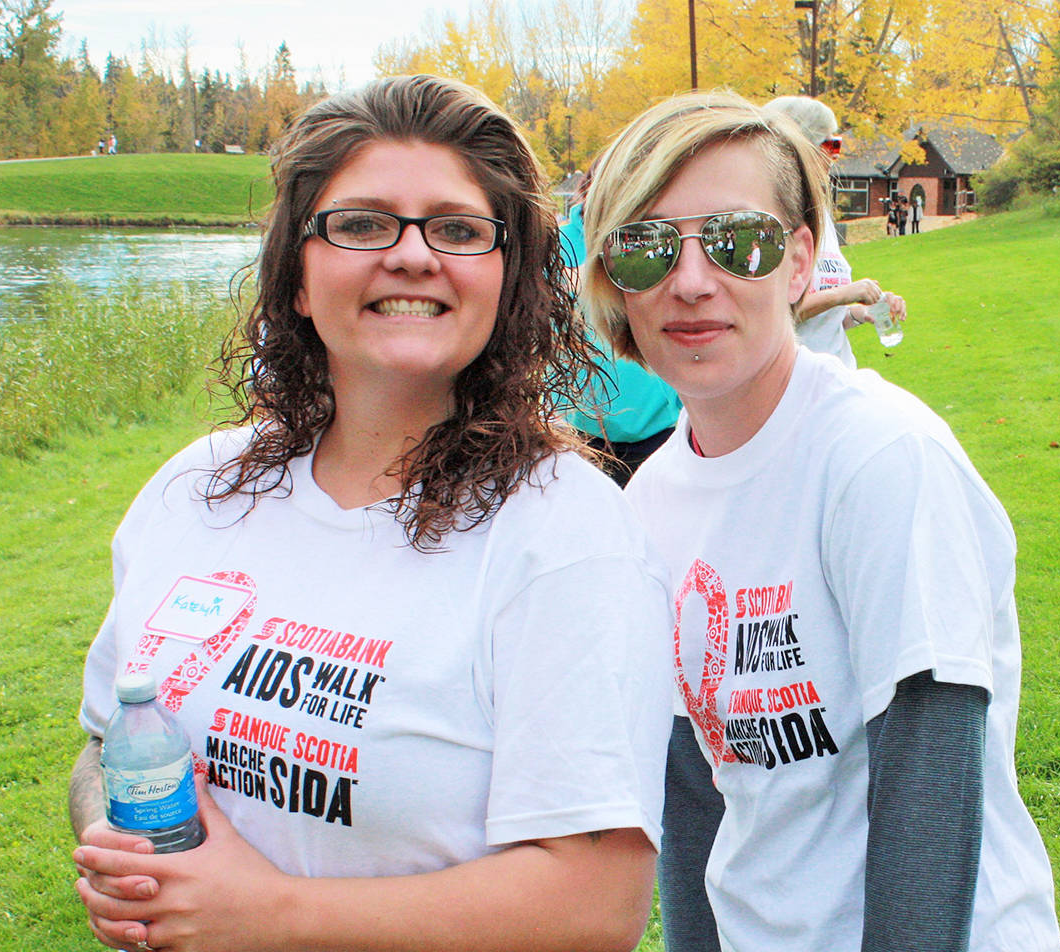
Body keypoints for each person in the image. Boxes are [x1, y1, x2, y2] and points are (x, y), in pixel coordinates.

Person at [68, 74, 673, 952]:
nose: (413, 255)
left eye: (459, 230)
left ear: (509, 285)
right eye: (361, 224)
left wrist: (265, 915)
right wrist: (122, 853)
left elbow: (595, 908)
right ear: (299, 278)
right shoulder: (194, 490)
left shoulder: (565, 534)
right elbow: (100, 744)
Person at [580, 89, 1060, 952]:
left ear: (801, 263)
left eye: (739, 241)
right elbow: (692, 793)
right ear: (615, 282)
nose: (691, 281)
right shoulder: (646, 505)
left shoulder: (880, 459)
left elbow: (931, 779)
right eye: (648, 248)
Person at [763, 95, 906, 369]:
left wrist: (863, 312)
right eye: (829, 144)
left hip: (836, 378)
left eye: (837, 144)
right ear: (798, 149)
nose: (835, 156)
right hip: (792, 385)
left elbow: (825, 320)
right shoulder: (772, 219)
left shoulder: (821, 215)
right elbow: (774, 311)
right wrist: (846, 293)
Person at [560, 174, 683, 486]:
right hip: (583, 435)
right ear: (588, 193)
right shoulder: (557, 246)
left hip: (661, 428)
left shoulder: (658, 238)